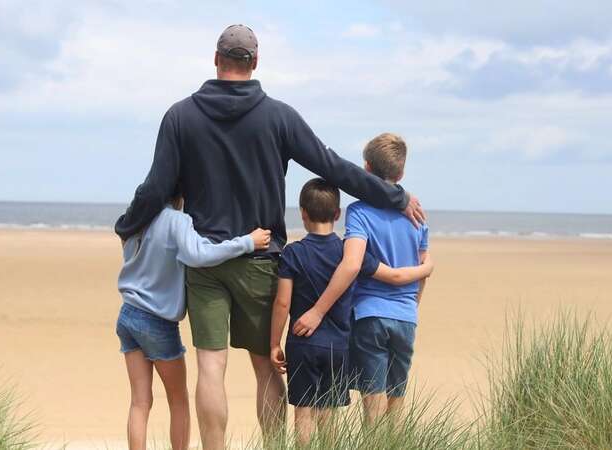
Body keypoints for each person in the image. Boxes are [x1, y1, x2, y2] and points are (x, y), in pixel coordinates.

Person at [114, 24, 426, 450]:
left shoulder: (180, 116)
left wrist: (128, 225)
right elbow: (333, 167)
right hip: (262, 259)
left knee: (211, 365)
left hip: (205, 263)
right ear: (255, 63)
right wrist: (394, 195)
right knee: (265, 367)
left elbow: (156, 188)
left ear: (216, 59)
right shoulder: (278, 116)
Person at [269, 178, 433, 446]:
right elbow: (390, 274)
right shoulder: (350, 253)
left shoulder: (293, 253)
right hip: (339, 346)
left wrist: (275, 342)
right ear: (337, 214)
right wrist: (425, 269)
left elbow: (282, 303)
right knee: (329, 414)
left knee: (303, 411)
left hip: (302, 343)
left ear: (303, 213)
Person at [115, 189, 271, 450]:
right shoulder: (177, 221)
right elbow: (198, 255)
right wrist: (247, 242)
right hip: (157, 322)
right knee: (178, 401)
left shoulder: (136, 220)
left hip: (128, 314)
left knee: (140, 402)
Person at [292, 133, 429, 425]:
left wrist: (318, 311)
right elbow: (422, 269)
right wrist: (412, 307)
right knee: (397, 398)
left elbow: (352, 264)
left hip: (369, 315)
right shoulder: (417, 216)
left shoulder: (359, 212)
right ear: (401, 172)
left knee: (373, 401)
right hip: (406, 316)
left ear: (365, 170)